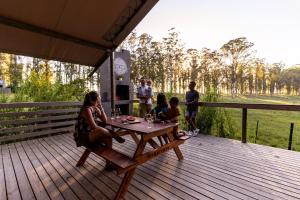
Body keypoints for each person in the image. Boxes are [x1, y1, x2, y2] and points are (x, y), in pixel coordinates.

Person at [74, 91, 123, 170]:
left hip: (91, 135)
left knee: (108, 138)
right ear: (93, 100)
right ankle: (114, 134)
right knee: (101, 131)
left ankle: (108, 164)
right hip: (82, 136)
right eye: (99, 98)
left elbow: (105, 120)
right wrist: (104, 130)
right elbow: (94, 127)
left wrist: (101, 108)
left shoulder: (94, 108)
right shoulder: (86, 109)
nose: (100, 99)